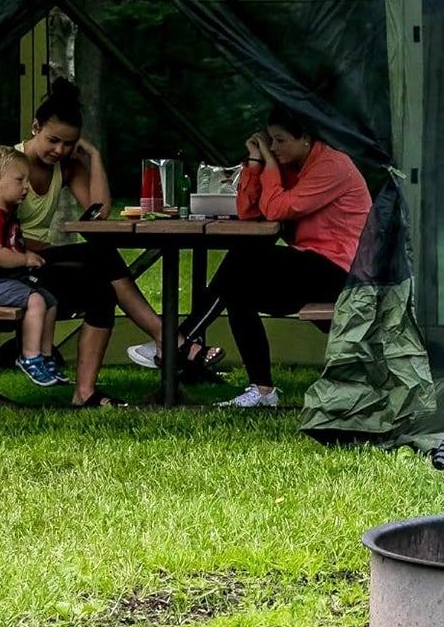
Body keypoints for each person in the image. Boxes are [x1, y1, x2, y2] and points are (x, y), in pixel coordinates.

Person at [141, 103, 371, 408]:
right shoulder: (290, 168)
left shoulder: (332, 166)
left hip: (342, 272)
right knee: (239, 290)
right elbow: (249, 213)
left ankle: (178, 339)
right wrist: (253, 163)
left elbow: (277, 209)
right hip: (309, 265)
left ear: (305, 138)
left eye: (280, 140)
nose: (273, 148)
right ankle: (261, 390)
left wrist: (271, 168)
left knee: (244, 258)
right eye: (270, 140)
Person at [14, 78, 172, 407]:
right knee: (101, 256)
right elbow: (0, 233)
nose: (59, 150)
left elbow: (98, 214)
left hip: (43, 262)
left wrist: (94, 155)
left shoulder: (66, 166)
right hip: (13, 264)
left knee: (102, 281)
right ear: (35, 127)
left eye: (68, 144)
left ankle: (84, 392)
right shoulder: (8, 164)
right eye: (52, 140)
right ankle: (166, 337)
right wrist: (39, 250)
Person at [0, 146, 64, 387]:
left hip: (9, 283)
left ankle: (45, 356)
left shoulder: (6, 213)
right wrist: (25, 259)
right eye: (20, 180)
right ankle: (29, 357)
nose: (26, 187)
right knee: (36, 301)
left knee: (50, 301)